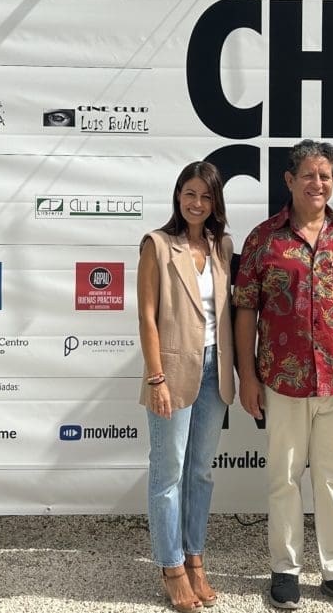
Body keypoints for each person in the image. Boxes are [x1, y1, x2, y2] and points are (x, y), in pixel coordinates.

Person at [233, 139, 333, 613]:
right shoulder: (263, 240)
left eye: (325, 175)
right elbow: (245, 310)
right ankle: (285, 570)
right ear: (289, 180)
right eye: (308, 174)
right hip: (281, 381)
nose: (316, 183)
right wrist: (247, 377)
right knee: (283, 478)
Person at [138, 161, 235, 612]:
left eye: (206, 196)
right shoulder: (157, 245)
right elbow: (147, 316)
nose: (197, 203)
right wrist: (156, 377)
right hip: (172, 372)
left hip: (216, 370)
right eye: (190, 193)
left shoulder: (221, 246)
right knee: (168, 473)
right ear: (178, 196)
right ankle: (171, 566)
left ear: (216, 202)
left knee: (200, 472)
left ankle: (195, 557)